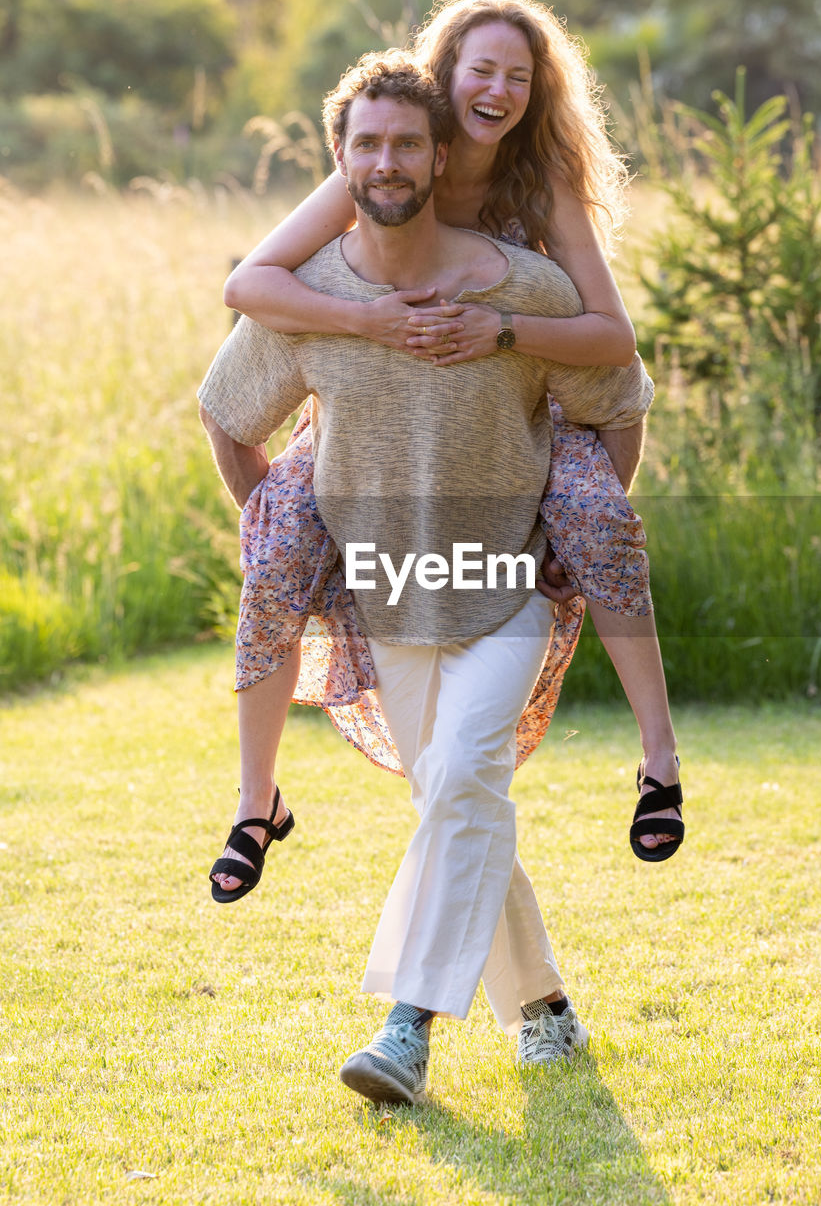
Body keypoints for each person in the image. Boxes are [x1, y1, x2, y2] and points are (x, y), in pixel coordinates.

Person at [199, 54, 658, 1102]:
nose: (387, 159)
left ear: (439, 154)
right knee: (459, 795)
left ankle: (405, 1029)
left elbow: (618, 389)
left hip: (506, 590)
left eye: (407, 141)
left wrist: (561, 533)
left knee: (456, 782)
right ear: (339, 157)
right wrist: (297, 532)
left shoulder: (523, 284)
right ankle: (543, 1007)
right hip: (387, 596)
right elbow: (227, 417)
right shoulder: (311, 293)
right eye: (366, 142)